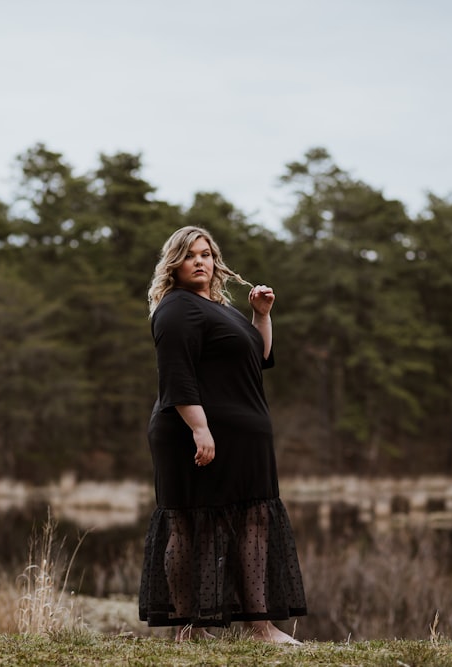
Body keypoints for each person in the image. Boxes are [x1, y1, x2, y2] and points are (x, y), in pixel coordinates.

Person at [138, 226, 307, 644]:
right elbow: (176, 377)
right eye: (191, 255)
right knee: (188, 523)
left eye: (207, 254)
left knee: (253, 519)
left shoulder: (218, 307)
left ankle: (260, 627)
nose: (201, 261)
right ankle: (187, 630)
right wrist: (200, 429)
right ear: (174, 263)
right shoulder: (176, 309)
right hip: (194, 434)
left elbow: (260, 357)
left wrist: (262, 316)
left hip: (244, 436)